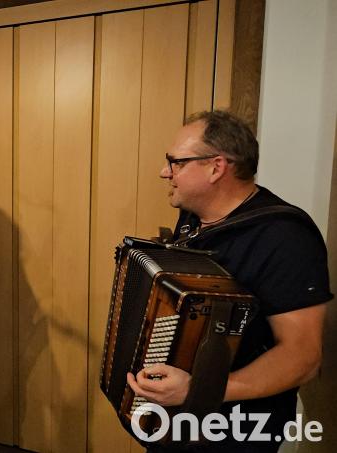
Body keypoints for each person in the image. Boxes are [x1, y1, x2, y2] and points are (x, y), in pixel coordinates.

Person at [126, 110, 331, 451]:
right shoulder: (194, 220)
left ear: (216, 167)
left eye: (176, 162)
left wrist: (200, 390)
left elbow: (303, 357)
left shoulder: (285, 237)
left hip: (235, 431)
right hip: (178, 421)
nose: (165, 172)